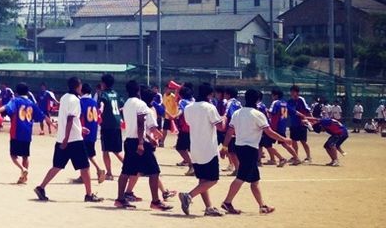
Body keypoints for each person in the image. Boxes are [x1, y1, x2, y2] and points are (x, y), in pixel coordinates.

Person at [219, 88, 294, 215]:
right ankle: (227, 202)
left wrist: (225, 147)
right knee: (241, 177)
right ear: (258, 100)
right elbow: (269, 132)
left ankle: (262, 206)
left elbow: (230, 132)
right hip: (250, 149)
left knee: (254, 180)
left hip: (240, 147)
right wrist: (284, 139)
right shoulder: (258, 114)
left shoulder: (237, 113)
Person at [34, 77, 101, 202]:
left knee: (57, 166)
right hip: (73, 139)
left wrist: (80, 129)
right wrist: (67, 138)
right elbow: (70, 119)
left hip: (63, 137)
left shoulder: (64, 97)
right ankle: (89, 194)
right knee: (85, 167)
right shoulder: (75, 100)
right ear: (77, 87)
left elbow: (69, 119)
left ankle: (41, 187)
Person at [116, 80, 169, 210]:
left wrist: (148, 138)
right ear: (138, 90)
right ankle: (155, 201)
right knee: (154, 171)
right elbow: (140, 124)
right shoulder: (141, 104)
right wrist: (141, 142)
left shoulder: (127, 103)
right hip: (138, 142)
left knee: (126, 172)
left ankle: (120, 199)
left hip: (129, 140)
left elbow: (138, 126)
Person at [180, 82, 226, 217]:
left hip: (195, 148)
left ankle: (209, 207)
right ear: (209, 94)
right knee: (213, 179)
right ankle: (189, 195)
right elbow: (220, 127)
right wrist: (224, 118)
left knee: (203, 179)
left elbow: (189, 123)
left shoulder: (189, 107)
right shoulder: (209, 107)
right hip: (208, 148)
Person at [2, 84, 42, 185]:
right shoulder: (31, 103)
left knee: (13, 155)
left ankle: (22, 168)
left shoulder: (15, 100)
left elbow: (7, 108)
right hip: (27, 132)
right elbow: (41, 115)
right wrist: (51, 123)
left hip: (17, 132)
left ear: (17, 92)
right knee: (25, 156)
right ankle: (24, 177)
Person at [97, 73, 123, 181]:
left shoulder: (103, 94)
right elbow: (121, 106)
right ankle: (133, 168)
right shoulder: (116, 94)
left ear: (103, 84)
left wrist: (100, 111)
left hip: (107, 125)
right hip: (117, 124)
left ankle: (109, 173)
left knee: (106, 150)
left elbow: (102, 105)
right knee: (117, 150)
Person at [286, 85, 312, 164]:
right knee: (293, 141)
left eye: (293, 91)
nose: (292, 93)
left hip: (301, 124)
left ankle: (308, 157)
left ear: (297, 92)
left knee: (303, 141)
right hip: (293, 124)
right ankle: (295, 156)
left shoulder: (301, 100)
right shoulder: (289, 101)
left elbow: (307, 110)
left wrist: (310, 120)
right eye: (291, 91)